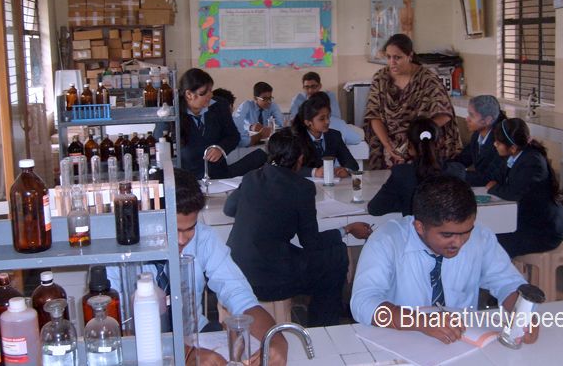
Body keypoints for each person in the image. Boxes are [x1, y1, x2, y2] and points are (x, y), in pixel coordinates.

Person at [109, 169, 287, 365]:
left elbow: (240, 296)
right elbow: (115, 327)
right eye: (173, 230)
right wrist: (186, 353)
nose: (181, 240)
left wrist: (275, 340)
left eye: (189, 229)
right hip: (140, 345)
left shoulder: (204, 238)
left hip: (195, 334)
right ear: (149, 216)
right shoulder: (118, 251)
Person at [351, 176, 538, 345]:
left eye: (466, 232)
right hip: (400, 339)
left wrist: (522, 313)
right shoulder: (387, 240)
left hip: (462, 341)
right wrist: (420, 321)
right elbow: (363, 302)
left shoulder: (480, 236)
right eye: (447, 235)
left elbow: (507, 282)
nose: (458, 242)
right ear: (419, 227)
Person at [224, 130, 372, 327]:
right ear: (300, 158)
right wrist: (347, 228)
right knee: (335, 257)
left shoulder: (252, 177)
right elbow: (311, 242)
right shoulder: (302, 188)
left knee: (307, 255)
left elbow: (229, 209)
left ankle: (328, 313)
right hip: (271, 278)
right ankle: (323, 325)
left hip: (236, 269)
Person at [364, 34, 462, 170]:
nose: (392, 62)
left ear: (410, 56)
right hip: (389, 146)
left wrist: (415, 137)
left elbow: (444, 114)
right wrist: (387, 145)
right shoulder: (380, 79)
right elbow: (374, 115)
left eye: (397, 57)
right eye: (388, 57)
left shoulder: (427, 79)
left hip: (420, 144)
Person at [486, 118, 563, 258]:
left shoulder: (532, 162)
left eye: (498, 143)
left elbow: (513, 193)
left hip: (544, 231)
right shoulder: (516, 156)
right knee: (487, 235)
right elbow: (497, 177)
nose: (495, 145)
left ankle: (505, 272)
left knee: (491, 243)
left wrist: (494, 188)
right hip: (529, 221)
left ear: (513, 147)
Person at [177, 68, 265, 179]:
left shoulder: (219, 105)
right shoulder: (174, 114)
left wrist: (221, 148)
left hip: (220, 175)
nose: (210, 95)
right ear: (189, 94)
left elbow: (233, 136)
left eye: (211, 90)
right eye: (204, 92)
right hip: (189, 178)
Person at [367, 117, 464, 216]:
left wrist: (404, 201)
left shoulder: (402, 174)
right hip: (447, 226)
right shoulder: (457, 171)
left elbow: (375, 209)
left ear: (410, 147)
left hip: (414, 226)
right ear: (440, 143)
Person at [291, 92, 359, 178]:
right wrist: (314, 172)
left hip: (330, 184)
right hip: (303, 184)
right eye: (322, 119)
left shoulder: (334, 135)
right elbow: (289, 168)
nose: (327, 122)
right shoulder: (296, 139)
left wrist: (346, 170)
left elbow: (352, 164)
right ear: (308, 122)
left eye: (328, 117)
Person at [448, 95, 506, 186]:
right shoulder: (477, 135)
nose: (467, 119)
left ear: (488, 120)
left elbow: (488, 177)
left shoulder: (500, 143)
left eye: (471, 115)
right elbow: (463, 159)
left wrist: (451, 175)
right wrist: (438, 168)